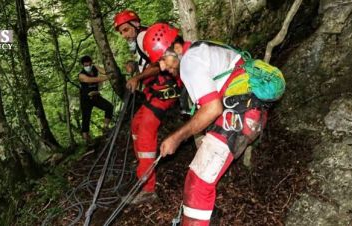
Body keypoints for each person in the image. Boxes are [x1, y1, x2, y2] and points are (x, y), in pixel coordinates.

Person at [143, 23, 269, 225]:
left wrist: (176, 137)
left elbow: (212, 109)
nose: (163, 68)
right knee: (202, 176)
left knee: (198, 183)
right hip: (248, 112)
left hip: (239, 115)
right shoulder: (201, 49)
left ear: (176, 48)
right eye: (159, 63)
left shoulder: (190, 62)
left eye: (163, 60)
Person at [114, 10, 182, 204]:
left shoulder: (144, 36)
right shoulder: (138, 41)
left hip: (164, 92)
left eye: (126, 29)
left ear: (136, 24)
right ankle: (143, 167)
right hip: (154, 93)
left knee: (144, 131)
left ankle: (148, 189)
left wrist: (137, 77)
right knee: (135, 124)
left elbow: (158, 64)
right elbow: (147, 63)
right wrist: (134, 67)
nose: (124, 34)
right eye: (121, 32)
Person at [78, 55, 113, 142]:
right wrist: (106, 78)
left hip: (95, 96)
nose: (88, 67)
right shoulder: (81, 75)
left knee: (109, 107)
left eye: (89, 64)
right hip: (85, 98)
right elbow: (91, 80)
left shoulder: (94, 68)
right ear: (83, 65)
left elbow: (105, 71)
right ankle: (86, 139)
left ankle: (105, 127)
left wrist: (97, 66)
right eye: (85, 65)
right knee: (86, 118)